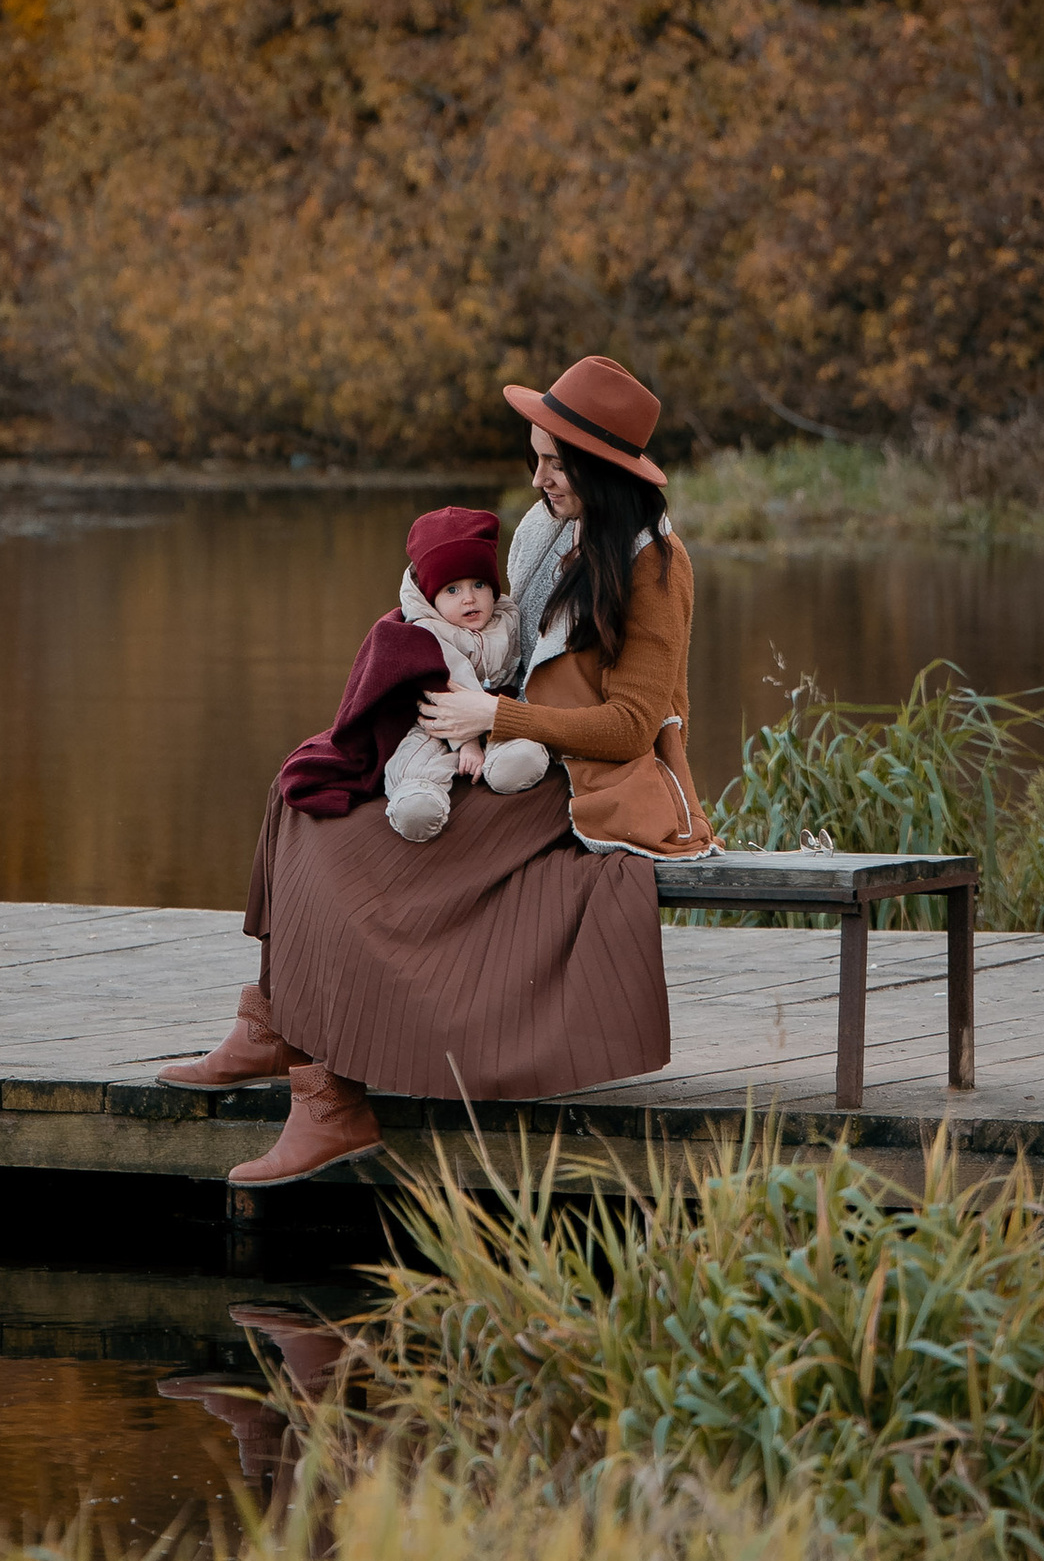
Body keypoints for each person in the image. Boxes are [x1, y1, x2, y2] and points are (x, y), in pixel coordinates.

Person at [160, 353, 715, 1187]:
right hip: (498, 747)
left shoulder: (655, 569)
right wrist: (449, 708)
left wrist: (496, 720)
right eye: (536, 457)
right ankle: (275, 1021)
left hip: (584, 781)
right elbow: (493, 652)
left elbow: (633, 725)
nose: (538, 478)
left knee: (366, 856)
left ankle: (331, 1099)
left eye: (555, 464)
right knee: (309, 788)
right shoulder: (541, 536)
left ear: (601, 471)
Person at [379, 503, 552, 840]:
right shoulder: (427, 630)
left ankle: (506, 764)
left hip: (498, 715)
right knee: (416, 760)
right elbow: (445, 682)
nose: (470, 599)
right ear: (432, 598)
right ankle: (417, 800)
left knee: (522, 751)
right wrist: (467, 744)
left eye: (479, 585)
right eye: (453, 590)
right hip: (439, 721)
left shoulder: (509, 618)